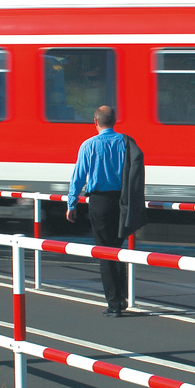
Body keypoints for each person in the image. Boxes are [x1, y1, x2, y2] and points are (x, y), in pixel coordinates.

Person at [67, 105, 128, 317]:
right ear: (114, 121)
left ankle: (114, 304)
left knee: (104, 251)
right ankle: (122, 297)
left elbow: (78, 176)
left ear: (95, 121)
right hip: (122, 201)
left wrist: (72, 203)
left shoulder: (88, 145)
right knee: (118, 250)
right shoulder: (125, 143)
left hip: (99, 202)